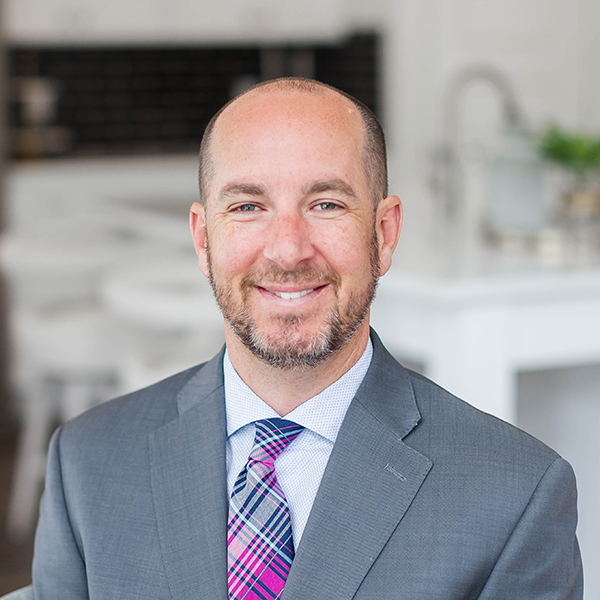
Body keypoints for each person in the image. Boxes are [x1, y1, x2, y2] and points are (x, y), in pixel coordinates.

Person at [32, 78, 583, 599]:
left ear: (384, 234)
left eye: (326, 204)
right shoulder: (86, 465)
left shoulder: (516, 496)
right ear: (203, 240)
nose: (288, 250)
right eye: (248, 206)